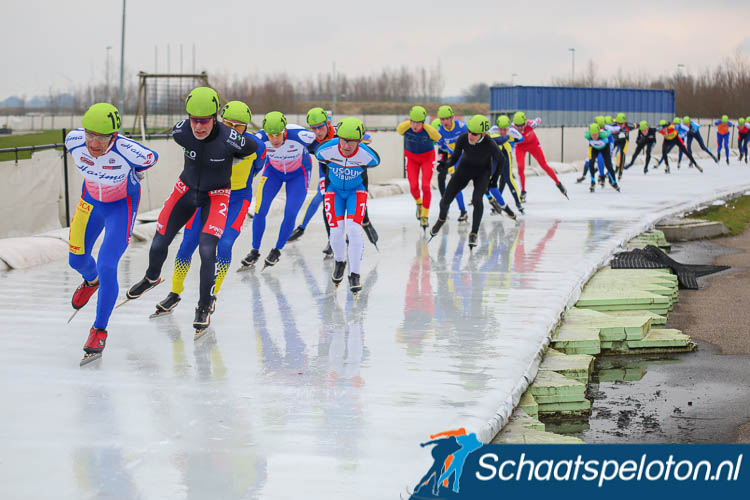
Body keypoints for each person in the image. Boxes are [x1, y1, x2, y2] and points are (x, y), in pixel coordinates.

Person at [125, 87, 257, 332]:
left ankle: (206, 304)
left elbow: (251, 148)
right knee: (162, 241)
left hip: (219, 196)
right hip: (185, 191)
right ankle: (154, 278)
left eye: (204, 121)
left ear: (214, 118)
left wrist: (234, 144)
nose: (198, 127)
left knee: (210, 250)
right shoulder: (181, 132)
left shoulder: (234, 139)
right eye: (194, 120)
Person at [153, 101, 266, 318]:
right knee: (188, 243)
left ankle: (211, 295)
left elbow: (258, 168)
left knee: (223, 245)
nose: (232, 129)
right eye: (228, 123)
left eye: (239, 126)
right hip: (207, 196)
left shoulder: (255, 146)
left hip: (236, 200)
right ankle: (175, 292)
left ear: (246, 128)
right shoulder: (207, 139)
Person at [66, 103, 158, 365]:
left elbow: (151, 158)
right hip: (90, 202)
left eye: (102, 137)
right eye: (90, 135)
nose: (94, 143)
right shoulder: (73, 141)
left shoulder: (130, 151)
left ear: (114, 136)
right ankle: (90, 281)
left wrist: (135, 173)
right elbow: (79, 142)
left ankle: (99, 329)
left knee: (107, 265)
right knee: (76, 260)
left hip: (120, 207)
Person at [287, 107, 378, 252]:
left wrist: (356, 143)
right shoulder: (310, 140)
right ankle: (330, 239)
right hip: (329, 175)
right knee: (325, 202)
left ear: (327, 123)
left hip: (354, 174)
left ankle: (365, 223)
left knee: (357, 205)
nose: (317, 132)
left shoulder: (340, 132)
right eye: (313, 128)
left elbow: (367, 138)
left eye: (320, 127)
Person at [238, 111, 315, 270]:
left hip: (298, 174)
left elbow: (325, 137)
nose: (274, 140)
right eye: (270, 135)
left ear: (284, 131)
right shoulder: (260, 138)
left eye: (278, 135)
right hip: (273, 172)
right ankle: (254, 250)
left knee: (291, 213)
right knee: (260, 210)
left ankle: (277, 250)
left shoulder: (299, 134)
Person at [315, 117, 380, 296]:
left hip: (356, 193)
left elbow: (376, 161)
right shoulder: (326, 149)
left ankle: (355, 274)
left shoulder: (367, 155)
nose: (346, 146)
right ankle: (340, 262)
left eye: (352, 142)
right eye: (343, 140)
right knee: (335, 231)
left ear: (360, 141)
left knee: (353, 229)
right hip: (334, 192)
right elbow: (319, 155)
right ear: (338, 137)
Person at [429, 115, 501, 249]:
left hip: (482, 173)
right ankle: (441, 219)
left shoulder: (490, 144)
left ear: (483, 134)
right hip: (464, 169)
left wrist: (494, 180)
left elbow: (501, 160)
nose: (470, 135)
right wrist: (445, 164)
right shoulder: (463, 138)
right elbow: (454, 157)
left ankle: (474, 233)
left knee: (476, 200)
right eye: (469, 131)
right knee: (445, 200)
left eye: (474, 133)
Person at [397, 105, 442, 228]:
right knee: (413, 186)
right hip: (411, 158)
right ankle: (419, 203)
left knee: (426, 186)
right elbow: (399, 129)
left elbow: (438, 137)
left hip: (427, 158)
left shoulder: (429, 130)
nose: (414, 126)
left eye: (418, 123)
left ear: (423, 122)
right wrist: (409, 123)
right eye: (412, 122)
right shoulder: (405, 127)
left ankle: (425, 216)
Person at [511, 111, 568, 200]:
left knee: (543, 165)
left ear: (525, 122)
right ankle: (523, 191)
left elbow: (538, 119)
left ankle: (558, 184)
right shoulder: (511, 128)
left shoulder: (531, 124)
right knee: (520, 167)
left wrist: (536, 120)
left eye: (521, 125)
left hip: (533, 144)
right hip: (520, 147)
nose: (520, 128)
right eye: (517, 126)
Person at [434, 105, 469, 223]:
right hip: (454, 159)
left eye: (446, 119)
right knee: (455, 185)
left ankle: (490, 197)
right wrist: (441, 162)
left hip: (467, 156)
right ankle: (463, 211)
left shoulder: (462, 127)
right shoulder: (439, 131)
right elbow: (442, 149)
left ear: (452, 118)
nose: (444, 122)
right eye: (442, 119)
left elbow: (476, 136)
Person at [584, 123, 620, 192]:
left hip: (605, 148)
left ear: (599, 133)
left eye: (596, 134)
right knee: (591, 163)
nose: (594, 137)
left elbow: (613, 133)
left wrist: (611, 147)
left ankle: (614, 182)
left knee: (608, 165)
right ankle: (593, 182)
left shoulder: (604, 134)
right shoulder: (587, 135)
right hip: (593, 148)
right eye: (592, 135)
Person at [612, 112, 638, 179]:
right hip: (615, 141)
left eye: (622, 124)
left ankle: (620, 172)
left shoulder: (629, 125)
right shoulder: (613, 124)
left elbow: (637, 125)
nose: (620, 125)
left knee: (621, 155)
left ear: (625, 122)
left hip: (624, 142)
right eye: (618, 123)